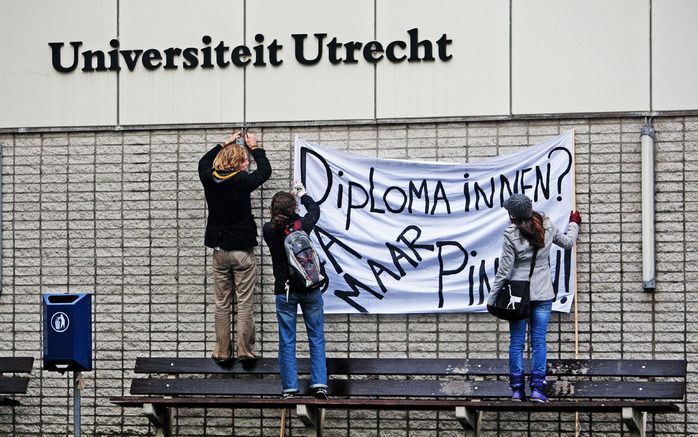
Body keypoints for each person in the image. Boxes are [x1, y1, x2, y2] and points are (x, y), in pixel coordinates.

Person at [490, 193, 581, 402]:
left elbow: (504, 271)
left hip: (518, 296)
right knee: (539, 341)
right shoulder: (546, 225)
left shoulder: (511, 234)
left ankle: (517, 390)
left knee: (516, 343)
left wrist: (492, 298)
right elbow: (567, 242)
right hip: (543, 293)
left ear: (513, 216)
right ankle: (538, 389)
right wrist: (574, 224)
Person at [198, 131, 272, 364]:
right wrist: (255, 148)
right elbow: (264, 172)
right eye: (244, 161)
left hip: (219, 250)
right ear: (237, 164)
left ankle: (221, 351)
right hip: (241, 250)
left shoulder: (210, 179)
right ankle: (244, 351)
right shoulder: (242, 181)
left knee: (222, 303)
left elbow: (203, 162)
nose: (247, 163)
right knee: (244, 302)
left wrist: (224, 143)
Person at [262, 183, 328, 399]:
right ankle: (319, 384)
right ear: (293, 208)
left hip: (285, 292)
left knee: (287, 340)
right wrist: (302, 194)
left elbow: (278, 223)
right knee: (316, 337)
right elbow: (315, 211)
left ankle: (290, 388)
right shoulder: (302, 225)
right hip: (311, 288)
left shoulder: (269, 230)